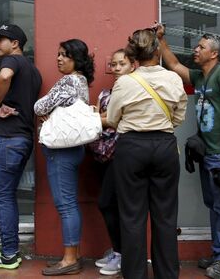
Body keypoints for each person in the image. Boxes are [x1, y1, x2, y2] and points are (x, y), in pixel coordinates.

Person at [159, 27, 220, 279]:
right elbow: (173, 64)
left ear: (214, 53)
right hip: (206, 152)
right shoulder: (199, 76)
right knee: (214, 204)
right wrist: (161, 39)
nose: (196, 49)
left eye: (201, 47)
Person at [106, 28, 187, 279]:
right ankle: (167, 275)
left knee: (131, 217)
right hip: (164, 146)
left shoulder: (125, 82)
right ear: (157, 51)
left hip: (131, 148)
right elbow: (179, 116)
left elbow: (112, 118)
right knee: (165, 216)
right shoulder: (174, 79)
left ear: (134, 54)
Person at [0, 24, 42, 269]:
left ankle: (8, 254)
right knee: (8, 195)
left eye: (1, 39)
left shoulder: (13, 62)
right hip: (23, 138)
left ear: (15, 43)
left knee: (3, 196)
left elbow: (4, 77)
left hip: (8, 139)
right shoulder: (33, 71)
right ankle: (8, 248)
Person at [34, 39, 95, 276]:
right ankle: (74, 255)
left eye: (65, 55)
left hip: (62, 151)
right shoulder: (81, 81)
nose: (59, 59)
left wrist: (44, 110)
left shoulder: (69, 81)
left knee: (66, 205)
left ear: (77, 59)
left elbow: (40, 107)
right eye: (58, 54)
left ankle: (69, 259)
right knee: (68, 203)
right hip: (72, 149)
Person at [90, 49, 135, 276]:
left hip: (122, 155)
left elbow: (118, 120)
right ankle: (118, 251)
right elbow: (104, 119)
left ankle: (122, 254)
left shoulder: (132, 91)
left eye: (122, 64)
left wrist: (95, 118)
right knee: (111, 205)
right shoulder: (106, 92)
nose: (117, 68)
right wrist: (99, 118)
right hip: (102, 154)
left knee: (108, 203)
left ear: (133, 66)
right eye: (114, 64)